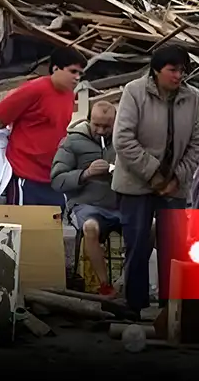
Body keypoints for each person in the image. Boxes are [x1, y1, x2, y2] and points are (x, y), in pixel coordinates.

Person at [112, 45, 199, 312]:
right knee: (138, 244)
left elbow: (198, 142)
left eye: (182, 70)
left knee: (174, 248)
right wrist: (154, 175)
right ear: (156, 70)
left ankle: (171, 309)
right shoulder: (134, 91)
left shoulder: (193, 97)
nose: (178, 76)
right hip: (136, 182)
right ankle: (135, 305)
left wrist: (176, 178)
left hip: (175, 185)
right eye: (172, 70)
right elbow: (123, 139)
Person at [0, 47, 85, 208]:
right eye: (73, 72)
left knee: (51, 227)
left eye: (80, 74)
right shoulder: (34, 89)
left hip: (52, 175)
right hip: (25, 174)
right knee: (24, 228)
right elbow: (1, 114)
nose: (77, 78)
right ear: (56, 68)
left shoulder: (69, 96)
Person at [50, 101, 121, 296]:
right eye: (96, 125)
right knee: (91, 228)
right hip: (85, 204)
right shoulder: (72, 142)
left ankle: (128, 281)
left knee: (150, 227)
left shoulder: (123, 138)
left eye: (107, 126)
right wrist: (85, 174)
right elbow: (57, 180)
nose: (100, 130)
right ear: (88, 120)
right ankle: (105, 284)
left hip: (120, 203)